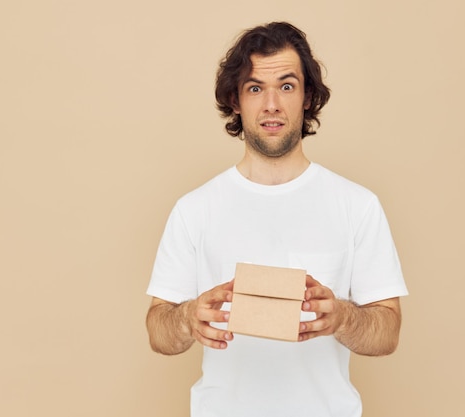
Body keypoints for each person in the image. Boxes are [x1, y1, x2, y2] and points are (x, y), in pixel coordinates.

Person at [146, 21, 408, 417]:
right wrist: (186, 318)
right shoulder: (194, 209)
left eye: (286, 86)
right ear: (236, 100)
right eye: (255, 88)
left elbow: (387, 331)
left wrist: (342, 316)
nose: (271, 104)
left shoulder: (357, 205)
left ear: (307, 97)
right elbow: (157, 329)